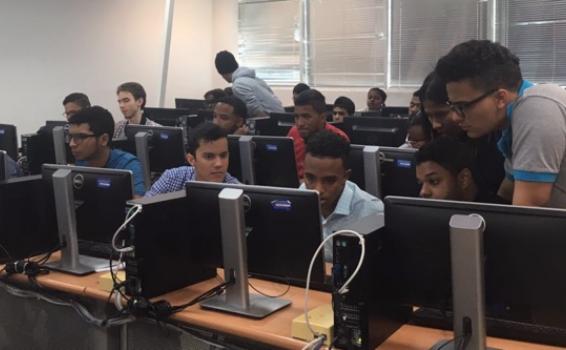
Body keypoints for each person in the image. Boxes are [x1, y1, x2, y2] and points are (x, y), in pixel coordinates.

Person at [436, 39, 566, 207]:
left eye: (462, 106)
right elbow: (505, 195)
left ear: (500, 98)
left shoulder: (537, 107)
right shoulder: (513, 121)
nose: (455, 117)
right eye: (453, 107)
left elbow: (528, 207)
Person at [302, 130, 383, 262]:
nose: (318, 189)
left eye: (329, 180)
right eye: (310, 178)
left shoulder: (373, 212)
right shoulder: (299, 197)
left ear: (345, 177)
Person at [68, 106, 145, 197]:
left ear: (104, 139)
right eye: (71, 137)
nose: (71, 144)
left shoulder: (128, 165)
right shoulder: (80, 161)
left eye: (80, 137)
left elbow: (136, 205)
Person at [145, 123, 239, 197]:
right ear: (191, 159)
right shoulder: (172, 178)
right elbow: (141, 210)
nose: (219, 164)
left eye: (223, 156)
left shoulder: (238, 192)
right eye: (209, 157)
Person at [415, 137, 502, 203]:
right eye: (421, 183)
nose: (423, 192)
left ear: (464, 179)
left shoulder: (498, 219)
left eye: (434, 181)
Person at [288, 89, 350, 179]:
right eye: (296, 117)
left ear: (322, 118)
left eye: (306, 116)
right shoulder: (293, 133)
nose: (300, 123)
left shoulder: (339, 138)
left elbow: (337, 181)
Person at [214, 50, 285, 118]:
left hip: (273, 122)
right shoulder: (255, 79)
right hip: (281, 116)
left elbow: (255, 110)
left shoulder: (238, 85)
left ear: (221, 73)